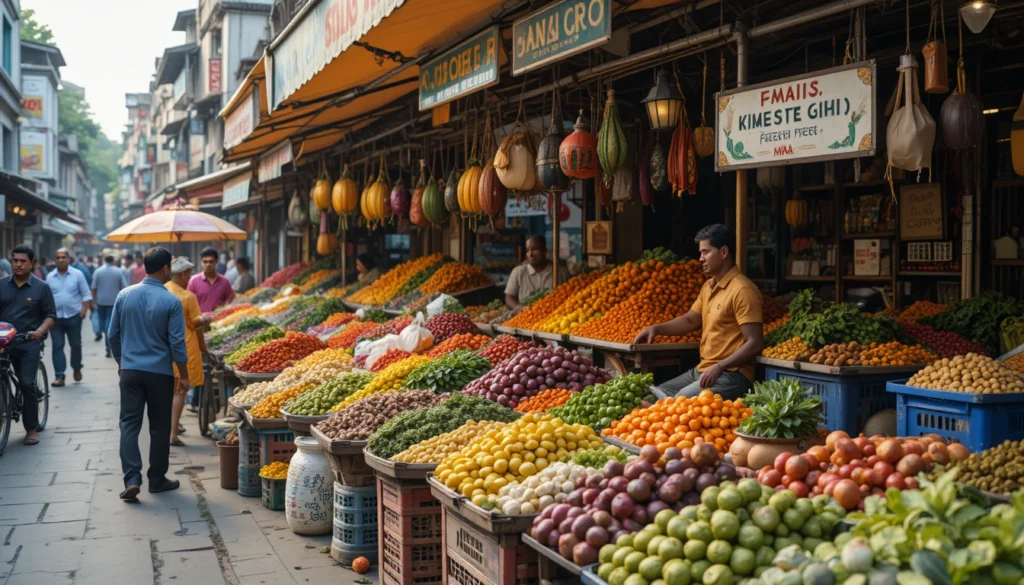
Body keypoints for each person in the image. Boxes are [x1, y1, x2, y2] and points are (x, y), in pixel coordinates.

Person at [634, 224, 764, 400]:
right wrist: (656, 329)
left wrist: (719, 367)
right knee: (651, 395)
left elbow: (755, 343)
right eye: (700, 253)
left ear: (724, 252)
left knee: (678, 402)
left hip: (732, 374)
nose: (701, 258)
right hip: (703, 369)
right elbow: (690, 320)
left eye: (705, 252)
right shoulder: (708, 286)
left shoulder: (742, 290)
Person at [108, 247, 189, 501]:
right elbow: (177, 344)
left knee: (129, 425)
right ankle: (157, 479)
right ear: (165, 269)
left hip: (130, 372)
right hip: (159, 374)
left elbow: (113, 335)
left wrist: (121, 361)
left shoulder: (124, 295)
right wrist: (184, 375)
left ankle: (132, 479)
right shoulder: (171, 301)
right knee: (159, 427)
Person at [0, 246, 56, 446]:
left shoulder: (41, 287)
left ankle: (31, 428)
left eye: (23, 261)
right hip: (4, 343)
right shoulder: (1, 285)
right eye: (15, 260)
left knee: (26, 383)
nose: (18, 264)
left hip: (29, 342)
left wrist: (39, 331)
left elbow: (51, 315)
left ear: (32, 263)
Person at [165, 257, 209, 446]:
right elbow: (195, 324)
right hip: (184, 347)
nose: (190, 278)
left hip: (163, 348)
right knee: (180, 391)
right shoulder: (187, 297)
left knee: (170, 390)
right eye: (189, 275)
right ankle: (173, 434)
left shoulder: (162, 290)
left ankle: (172, 424)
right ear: (183, 274)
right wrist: (203, 345)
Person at [45, 248, 93, 387]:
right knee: (57, 346)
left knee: (76, 345)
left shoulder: (77, 274)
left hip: (74, 316)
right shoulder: (50, 277)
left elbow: (86, 294)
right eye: (58, 257)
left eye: (63, 257)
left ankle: (77, 367)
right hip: (55, 318)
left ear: (69, 259)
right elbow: (46, 297)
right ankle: (60, 376)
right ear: (55, 260)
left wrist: (84, 310)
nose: (60, 260)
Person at [504, 235, 569, 309]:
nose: (530, 254)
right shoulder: (518, 272)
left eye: (534, 249)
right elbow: (509, 297)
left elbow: (569, 294)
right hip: (527, 314)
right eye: (528, 251)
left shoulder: (560, 272)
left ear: (544, 251)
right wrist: (519, 308)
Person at [91, 255, 128, 356]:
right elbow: (125, 286)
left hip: (101, 302)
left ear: (104, 260)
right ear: (112, 261)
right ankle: (108, 347)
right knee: (109, 323)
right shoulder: (118, 271)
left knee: (103, 323)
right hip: (113, 302)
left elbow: (93, 287)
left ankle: (107, 345)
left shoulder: (98, 271)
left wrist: (93, 301)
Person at [188, 247, 235, 313]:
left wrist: (224, 308)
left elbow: (230, 298)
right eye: (205, 262)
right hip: (199, 318)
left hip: (220, 318)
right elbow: (189, 303)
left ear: (216, 262)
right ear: (201, 262)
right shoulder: (193, 282)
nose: (208, 265)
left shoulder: (224, 281)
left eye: (211, 262)